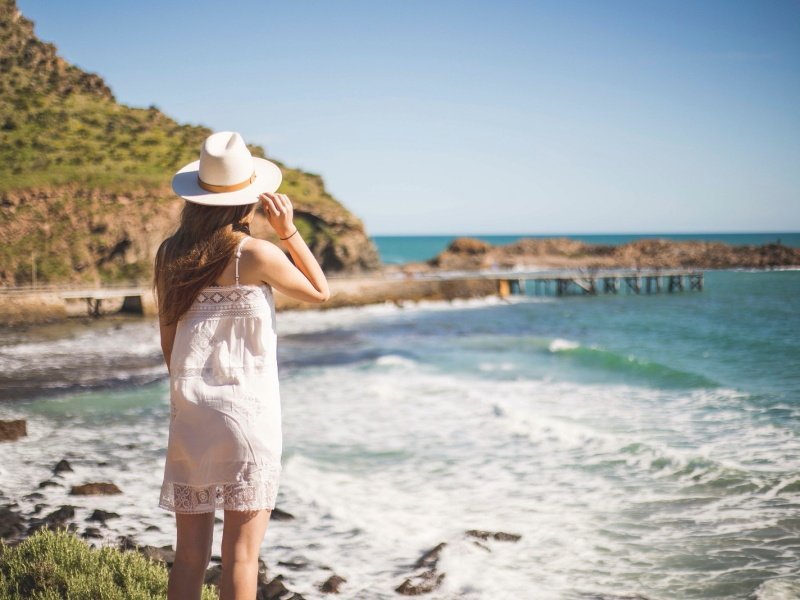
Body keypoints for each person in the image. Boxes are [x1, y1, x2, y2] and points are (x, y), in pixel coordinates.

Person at [153, 131, 330, 600]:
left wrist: (191, 396)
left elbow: (168, 339)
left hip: (191, 413)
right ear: (248, 200)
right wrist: (288, 230)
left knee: (188, 556)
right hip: (247, 415)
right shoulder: (253, 253)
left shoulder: (169, 254)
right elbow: (320, 290)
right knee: (241, 557)